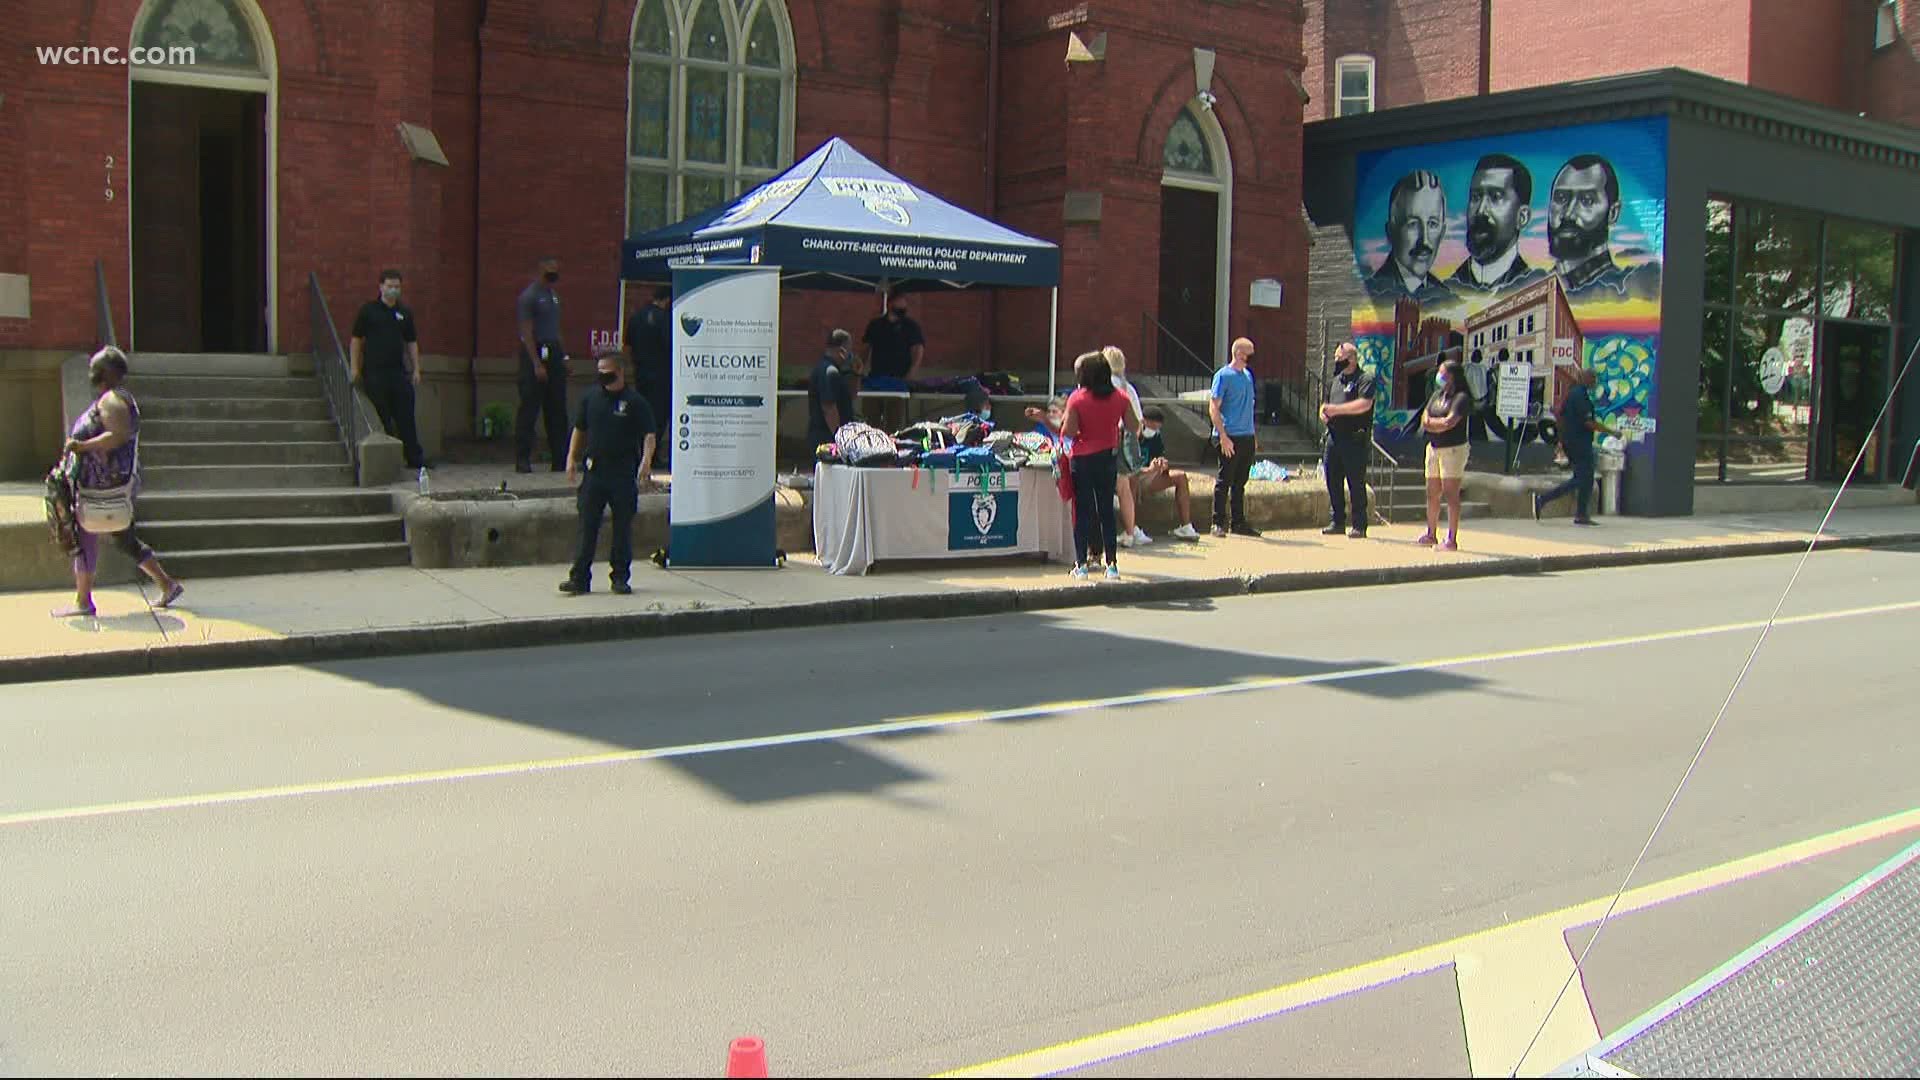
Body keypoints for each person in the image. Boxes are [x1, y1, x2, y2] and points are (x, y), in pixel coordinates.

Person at [54, 347, 185, 618]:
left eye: (96, 367)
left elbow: (117, 435)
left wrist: (81, 446)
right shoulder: (113, 399)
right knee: (122, 537)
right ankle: (166, 584)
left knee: (86, 536)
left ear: (108, 373)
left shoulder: (112, 400)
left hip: (102, 486)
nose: (92, 372)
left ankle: (83, 601)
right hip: (104, 485)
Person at [561, 350, 657, 596]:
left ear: (620, 372)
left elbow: (649, 434)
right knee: (587, 525)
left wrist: (646, 462)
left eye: (608, 372)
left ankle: (620, 577)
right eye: (600, 372)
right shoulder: (591, 398)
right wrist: (571, 457)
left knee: (622, 527)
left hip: (622, 472)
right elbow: (580, 429)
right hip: (595, 471)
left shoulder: (634, 402)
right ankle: (580, 578)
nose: (603, 377)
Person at [1060, 351, 1140, 582]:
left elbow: (1070, 431)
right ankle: (1112, 565)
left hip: (1082, 459)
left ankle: (1081, 565)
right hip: (1107, 457)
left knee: (1083, 512)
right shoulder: (1121, 397)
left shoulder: (1077, 398)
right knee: (1106, 511)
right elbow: (1134, 426)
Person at [1547, 155, 1661, 300]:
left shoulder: (1629, 293)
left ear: (1613, 213)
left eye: (1587, 200)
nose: (1568, 213)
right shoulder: (1531, 287)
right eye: (1561, 198)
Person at [349, 269, 426, 470]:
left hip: (397, 372)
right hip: (375, 372)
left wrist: (416, 368)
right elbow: (356, 340)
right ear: (381, 286)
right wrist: (354, 367)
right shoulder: (369, 311)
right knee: (382, 415)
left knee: (406, 414)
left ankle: (415, 458)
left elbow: (411, 342)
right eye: (390, 286)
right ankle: (387, 458)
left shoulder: (404, 313)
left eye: (397, 287)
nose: (393, 290)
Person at [1533, 366, 1618, 526]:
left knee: (1586, 479)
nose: (1595, 382)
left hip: (1573, 442)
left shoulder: (1574, 394)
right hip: (1579, 444)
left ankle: (1581, 515)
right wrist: (1611, 432)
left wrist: (1561, 440)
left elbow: (1561, 416)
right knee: (1581, 479)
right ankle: (1543, 499)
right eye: (1593, 378)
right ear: (1585, 378)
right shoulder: (1580, 396)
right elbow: (1588, 422)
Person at [1451, 155, 1546, 296]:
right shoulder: (1449, 287)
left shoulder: (1534, 289)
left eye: (1495, 197)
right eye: (1475, 197)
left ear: (1522, 217)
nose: (1481, 210)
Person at [1365, 170, 1456, 305]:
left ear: (1442, 232)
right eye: (1413, 224)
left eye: (1432, 224)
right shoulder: (1369, 296)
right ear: (1390, 232)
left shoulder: (1448, 298)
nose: (1424, 240)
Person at [516, 256, 570, 474]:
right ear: (540, 270)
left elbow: (557, 329)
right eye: (549, 270)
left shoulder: (554, 296)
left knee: (557, 408)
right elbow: (526, 331)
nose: (553, 274)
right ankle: (522, 459)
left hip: (553, 351)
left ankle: (559, 459)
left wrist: (564, 357)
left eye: (556, 270)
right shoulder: (529, 297)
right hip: (535, 352)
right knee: (530, 408)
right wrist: (536, 363)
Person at [1320, 342, 1378, 539]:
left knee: (1355, 482)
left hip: (1355, 439)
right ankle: (1337, 521)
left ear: (1352, 359)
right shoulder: (1336, 381)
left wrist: (1336, 410)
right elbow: (1326, 403)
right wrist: (1324, 412)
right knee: (1332, 480)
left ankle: (1359, 525)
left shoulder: (1365, 379)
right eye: (1336, 358)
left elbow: (1364, 404)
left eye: (1340, 358)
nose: (1337, 361)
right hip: (1334, 437)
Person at [1209, 337, 1261, 538]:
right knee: (1224, 480)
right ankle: (1217, 522)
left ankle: (1238, 522)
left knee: (1240, 482)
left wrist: (1253, 434)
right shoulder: (1223, 376)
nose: (1252, 357)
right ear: (1239, 353)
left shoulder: (1248, 375)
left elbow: (1248, 407)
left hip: (1246, 435)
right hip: (1229, 435)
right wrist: (1222, 436)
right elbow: (1214, 406)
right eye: (1250, 352)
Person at [1419, 358, 1472, 551]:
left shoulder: (1461, 398)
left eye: (1442, 373)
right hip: (1433, 448)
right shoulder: (1437, 395)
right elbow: (1425, 416)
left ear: (1452, 376)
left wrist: (1434, 424)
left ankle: (1451, 538)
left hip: (1453, 450)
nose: (1439, 377)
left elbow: (1450, 422)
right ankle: (1431, 533)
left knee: (1450, 493)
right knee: (1432, 492)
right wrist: (1434, 424)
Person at [1103, 345, 1151, 547]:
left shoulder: (1099, 386)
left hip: (1103, 440)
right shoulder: (1127, 388)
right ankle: (1130, 532)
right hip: (1122, 440)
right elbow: (1139, 423)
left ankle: (1100, 535)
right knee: (1124, 489)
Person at [625, 285, 673, 472]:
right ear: (667, 299)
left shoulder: (637, 317)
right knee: (658, 417)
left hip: (641, 374)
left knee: (642, 414)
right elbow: (670, 345)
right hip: (661, 375)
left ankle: (640, 454)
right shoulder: (665, 318)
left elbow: (627, 345)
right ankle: (652, 455)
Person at [1133, 407, 1201, 540]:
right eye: (1152, 427)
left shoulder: (1156, 437)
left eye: (1157, 428)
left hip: (1151, 477)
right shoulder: (1131, 436)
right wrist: (1149, 470)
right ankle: (1132, 529)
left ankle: (1185, 526)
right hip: (1134, 477)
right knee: (1131, 480)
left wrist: (1162, 465)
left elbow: (1160, 456)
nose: (1154, 431)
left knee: (1180, 476)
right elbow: (1128, 469)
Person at [860, 295, 925, 431]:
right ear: (890, 305)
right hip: (875, 379)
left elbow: (918, 350)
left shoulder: (910, 327)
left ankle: (891, 447)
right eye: (898, 306)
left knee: (894, 423)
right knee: (871, 420)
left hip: (899, 381)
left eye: (904, 306)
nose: (902, 310)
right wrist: (859, 371)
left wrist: (911, 373)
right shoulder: (876, 325)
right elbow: (865, 349)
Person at [807, 328, 857, 450]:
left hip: (824, 435)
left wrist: (856, 374)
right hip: (826, 438)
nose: (851, 354)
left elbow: (852, 395)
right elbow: (828, 408)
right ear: (842, 350)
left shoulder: (832, 370)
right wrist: (838, 437)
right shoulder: (830, 372)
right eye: (849, 349)